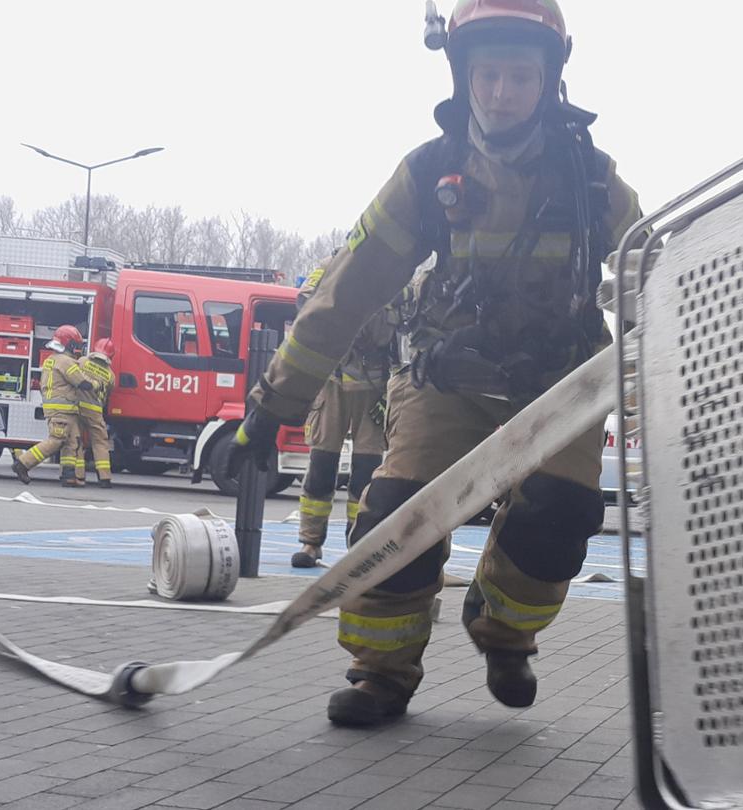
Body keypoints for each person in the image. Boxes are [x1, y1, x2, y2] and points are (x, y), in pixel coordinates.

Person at [229, 0, 641, 727]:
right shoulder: (429, 173)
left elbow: (654, 271)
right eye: (489, 75)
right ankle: (382, 675)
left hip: (561, 384)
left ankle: (504, 633)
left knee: (562, 515)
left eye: (521, 76)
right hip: (446, 381)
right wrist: (274, 404)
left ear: (549, 80)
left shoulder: (594, 179)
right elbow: (347, 289)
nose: (503, 93)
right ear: (464, 75)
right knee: (397, 521)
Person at [291, 258, 396, 569]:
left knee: (366, 473)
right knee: (321, 464)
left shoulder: (394, 271)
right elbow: (304, 303)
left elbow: (403, 330)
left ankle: (358, 545)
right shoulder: (332, 264)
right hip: (332, 381)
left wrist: (392, 393)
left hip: (374, 387)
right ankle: (311, 543)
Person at [12, 324, 94, 486]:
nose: (78, 349)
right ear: (69, 344)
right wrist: (96, 383)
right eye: (76, 345)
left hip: (62, 410)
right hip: (61, 410)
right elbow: (82, 383)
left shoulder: (51, 360)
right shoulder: (66, 362)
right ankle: (23, 463)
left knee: (72, 442)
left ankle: (68, 475)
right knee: (56, 440)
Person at [77, 338, 117, 488]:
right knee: (100, 443)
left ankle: (79, 475)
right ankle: (104, 478)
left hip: (78, 408)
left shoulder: (81, 362)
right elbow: (108, 393)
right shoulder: (110, 375)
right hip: (96, 411)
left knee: (77, 441)